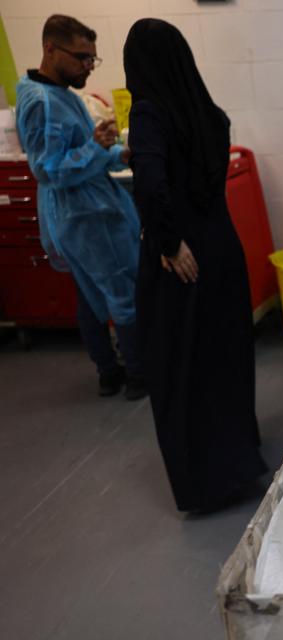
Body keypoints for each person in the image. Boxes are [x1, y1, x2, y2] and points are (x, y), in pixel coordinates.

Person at [123, 18, 267, 513]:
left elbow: (150, 184)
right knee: (224, 357)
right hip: (222, 247)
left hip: (181, 259)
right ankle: (239, 463)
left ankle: (204, 480)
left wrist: (167, 241)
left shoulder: (148, 114)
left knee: (180, 365)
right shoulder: (210, 113)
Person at [15, 14, 145, 399]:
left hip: (82, 212)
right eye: (82, 57)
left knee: (92, 296)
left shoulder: (60, 95)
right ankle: (139, 376)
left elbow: (73, 153)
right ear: (50, 49)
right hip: (87, 216)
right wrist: (97, 147)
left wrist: (115, 151)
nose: (88, 66)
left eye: (93, 59)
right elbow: (48, 169)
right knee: (121, 294)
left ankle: (109, 372)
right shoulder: (41, 102)